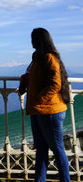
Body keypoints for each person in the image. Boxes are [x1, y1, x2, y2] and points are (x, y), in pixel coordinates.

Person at [19, 27, 70, 182]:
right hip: (38, 110)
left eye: (33, 38)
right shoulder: (38, 58)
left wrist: (40, 99)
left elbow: (55, 84)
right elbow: (35, 77)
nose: (31, 42)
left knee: (57, 149)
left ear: (39, 40)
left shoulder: (49, 58)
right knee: (41, 150)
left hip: (49, 111)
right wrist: (24, 80)